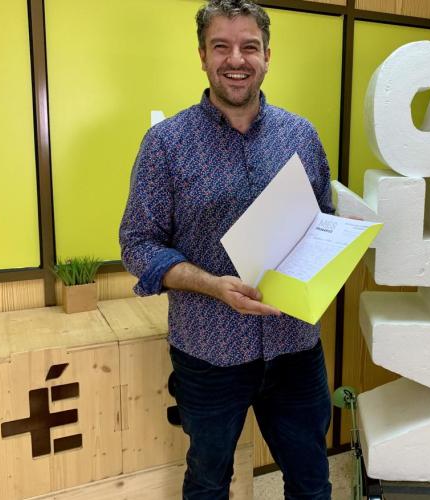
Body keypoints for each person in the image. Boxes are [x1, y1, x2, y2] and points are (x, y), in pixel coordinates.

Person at [119, 1, 334, 498]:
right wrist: (212, 285)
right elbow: (137, 242)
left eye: (249, 47)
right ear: (202, 55)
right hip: (209, 352)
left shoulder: (301, 135)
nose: (236, 59)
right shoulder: (166, 144)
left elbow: (321, 223)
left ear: (267, 56)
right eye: (221, 46)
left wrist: (341, 239)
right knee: (208, 481)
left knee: (311, 481)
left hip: (295, 346)